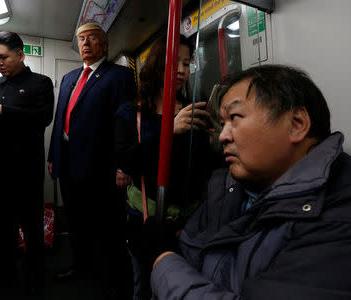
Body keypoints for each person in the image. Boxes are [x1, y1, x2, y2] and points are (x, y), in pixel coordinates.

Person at [149, 65, 351, 299]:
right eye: (222, 124)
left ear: (296, 124)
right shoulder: (231, 188)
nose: (223, 136)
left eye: (235, 118)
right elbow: (194, 248)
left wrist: (162, 259)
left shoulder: (338, 215)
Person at [115, 35, 217, 300]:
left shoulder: (196, 108)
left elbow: (203, 164)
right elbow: (126, 161)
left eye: (187, 63)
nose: (182, 70)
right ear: (157, 64)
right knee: (145, 286)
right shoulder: (131, 113)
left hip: (192, 217)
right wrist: (169, 130)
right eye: (175, 62)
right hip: (146, 215)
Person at [47, 22, 136, 298]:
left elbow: (126, 121)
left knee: (107, 225)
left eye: (92, 38)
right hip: (67, 163)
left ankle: (111, 277)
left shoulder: (120, 75)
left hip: (101, 166)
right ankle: (80, 266)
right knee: (75, 220)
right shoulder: (70, 77)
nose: (85, 44)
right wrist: (53, 156)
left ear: (104, 45)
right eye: (81, 39)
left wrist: (124, 164)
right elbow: (60, 119)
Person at [0, 31, 54, 295]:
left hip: (25, 171)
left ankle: (35, 276)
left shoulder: (41, 83)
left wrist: (2, 110)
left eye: (3, 57)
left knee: (31, 228)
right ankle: (3, 273)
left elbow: (43, 118)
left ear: (20, 54)